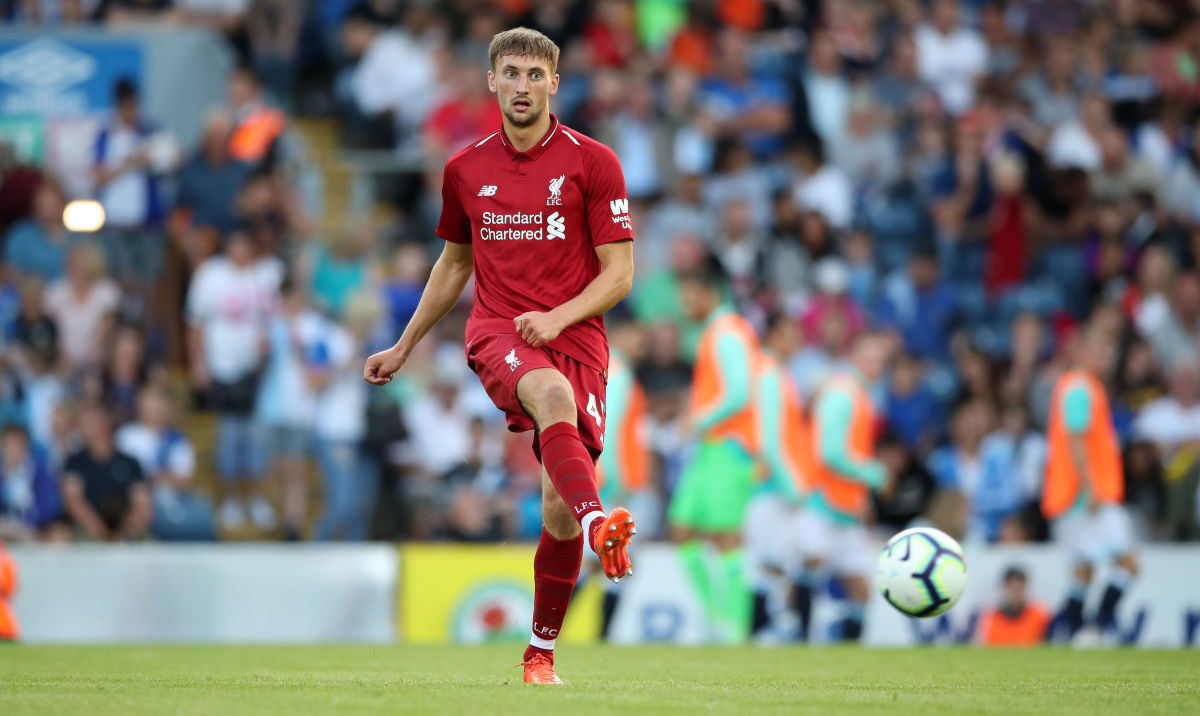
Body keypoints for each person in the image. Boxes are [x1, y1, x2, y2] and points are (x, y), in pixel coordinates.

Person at [363, 27, 636, 685]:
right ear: (492, 81)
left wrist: (560, 317)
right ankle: (604, 523)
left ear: (554, 85)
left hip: (574, 337)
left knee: (555, 509)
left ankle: (539, 655)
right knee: (551, 399)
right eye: (510, 73)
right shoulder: (465, 169)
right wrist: (405, 344)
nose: (522, 86)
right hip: (500, 331)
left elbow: (620, 274)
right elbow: (455, 265)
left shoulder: (594, 162)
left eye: (534, 76)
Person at [669, 260, 760, 644]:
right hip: (711, 448)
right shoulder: (716, 332)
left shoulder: (726, 332)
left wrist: (699, 419)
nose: (684, 304)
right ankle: (717, 614)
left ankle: (734, 628)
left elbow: (740, 392)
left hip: (728, 447)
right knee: (682, 528)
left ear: (709, 293)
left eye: (688, 296)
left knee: (726, 537)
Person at [1042, 325, 1139, 643]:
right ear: (1081, 353)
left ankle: (1072, 633)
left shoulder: (1080, 386)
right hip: (1085, 495)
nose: (1107, 358)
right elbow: (1076, 440)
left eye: (1109, 352)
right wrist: (1090, 487)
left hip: (1069, 495)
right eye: (1100, 351)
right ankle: (1095, 627)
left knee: (1082, 570)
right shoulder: (1080, 388)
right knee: (1129, 564)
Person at [796, 331, 894, 642]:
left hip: (845, 505)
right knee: (811, 566)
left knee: (859, 589)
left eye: (882, 362)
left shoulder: (858, 394)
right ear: (857, 358)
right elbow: (830, 453)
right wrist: (875, 474)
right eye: (873, 360)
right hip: (822, 500)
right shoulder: (842, 394)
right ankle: (794, 637)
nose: (879, 368)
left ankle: (847, 652)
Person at [745, 313, 807, 641]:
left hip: (766, 484)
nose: (795, 342)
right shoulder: (769, 373)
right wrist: (792, 484)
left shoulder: (772, 371)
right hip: (770, 486)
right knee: (771, 561)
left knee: (768, 562)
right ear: (773, 335)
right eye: (789, 334)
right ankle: (763, 631)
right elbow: (769, 441)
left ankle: (763, 629)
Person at [114, 386, 214, 541]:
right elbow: (120, 474)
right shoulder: (126, 435)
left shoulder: (177, 439)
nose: (155, 409)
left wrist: (153, 476)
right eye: (151, 403)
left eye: (160, 403)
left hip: (168, 502)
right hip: (133, 500)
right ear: (140, 405)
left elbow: (185, 481)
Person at [60, 403, 151, 541]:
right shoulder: (74, 462)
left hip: (127, 532)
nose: (81, 428)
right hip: (88, 531)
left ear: (104, 425)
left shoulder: (130, 463)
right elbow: (73, 502)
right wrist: (101, 532)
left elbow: (142, 504)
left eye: (88, 422)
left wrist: (124, 532)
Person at [978, 566, 1052, 646]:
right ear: (1004, 588)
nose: (1016, 593)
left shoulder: (1039, 615)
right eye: (1012, 588)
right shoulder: (990, 617)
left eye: (1019, 588)